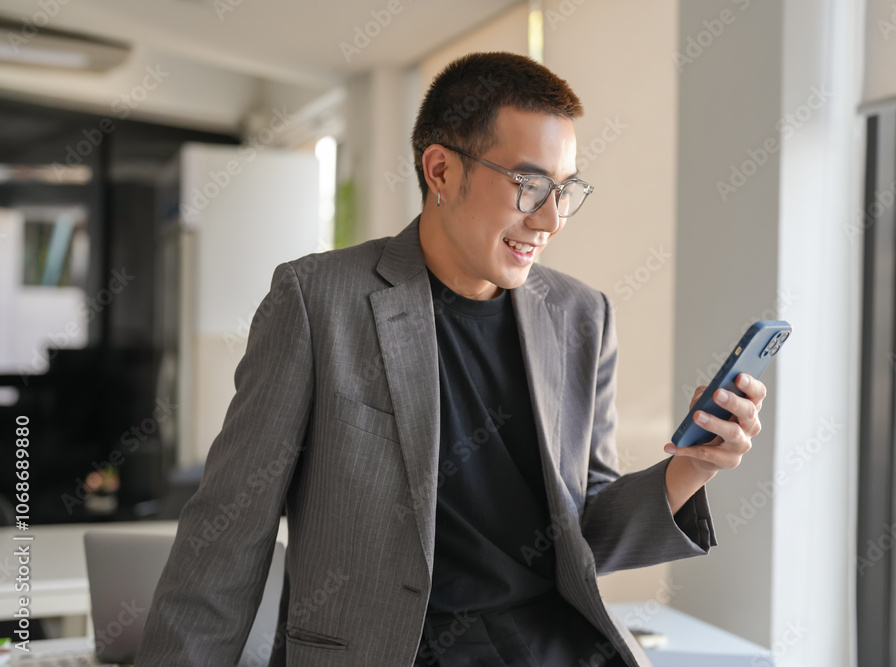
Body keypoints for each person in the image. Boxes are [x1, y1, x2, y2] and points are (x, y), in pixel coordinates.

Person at [136, 51, 765, 667]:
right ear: (439, 171)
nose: (550, 219)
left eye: (565, 189)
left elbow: (583, 530)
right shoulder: (317, 301)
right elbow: (227, 535)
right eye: (528, 185)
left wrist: (693, 466)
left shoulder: (581, 316)